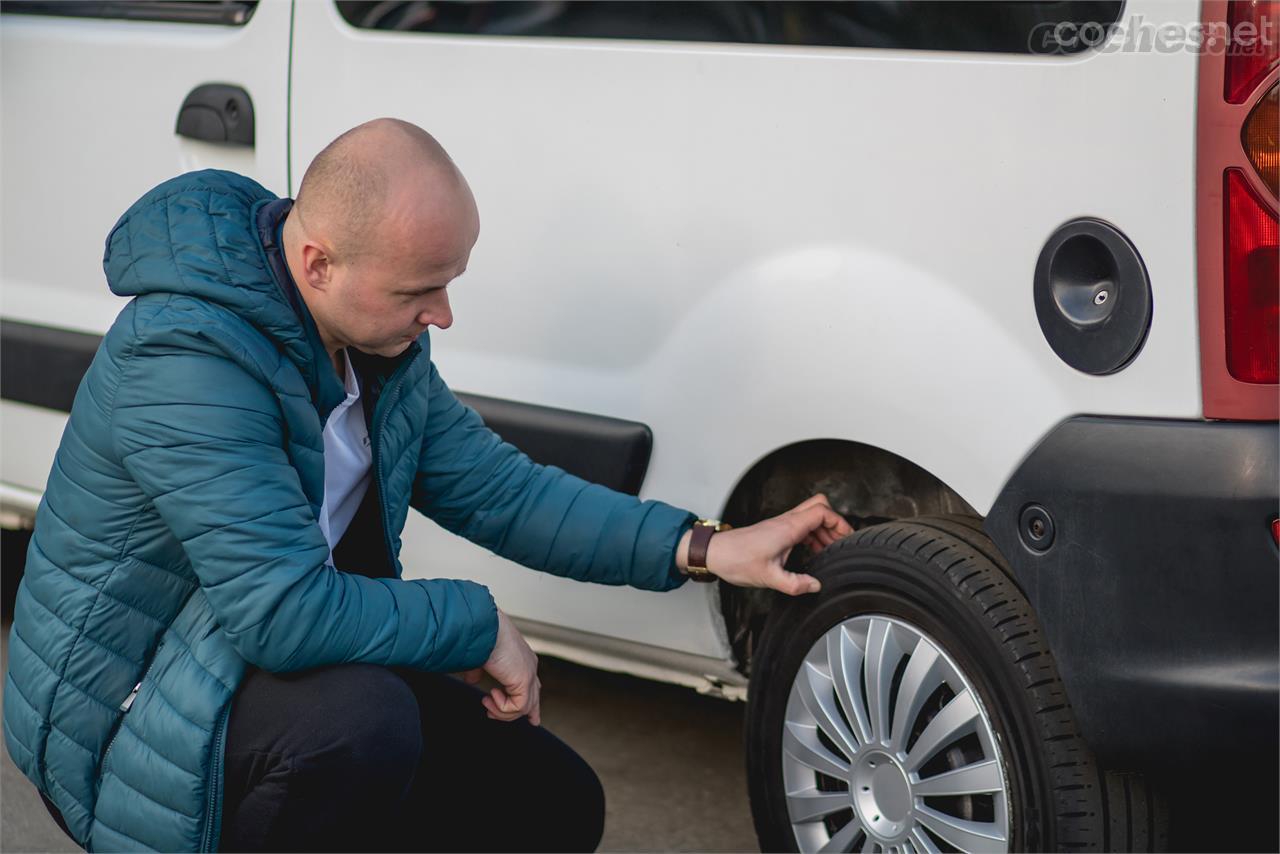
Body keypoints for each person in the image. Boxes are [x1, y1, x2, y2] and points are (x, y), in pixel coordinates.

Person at [2, 118, 853, 852]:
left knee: (551, 803)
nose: (443, 314)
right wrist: (476, 626)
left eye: (449, 282)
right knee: (361, 727)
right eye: (421, 289)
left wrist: (706, 545)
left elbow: (503, 492)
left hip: (248, 662)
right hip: (125, 717)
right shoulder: (188, 360)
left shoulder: (376, 348)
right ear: (318, 261)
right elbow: (282, 613)